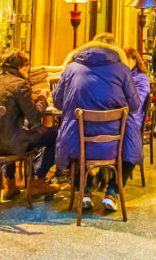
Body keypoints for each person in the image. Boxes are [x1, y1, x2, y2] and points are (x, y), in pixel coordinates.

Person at [53, 33, 141, 213]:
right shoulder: (122, 69)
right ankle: (112, 192)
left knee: (70, 141)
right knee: (133, 146)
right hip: (114, 143)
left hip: (77, 141)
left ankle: (84, 191)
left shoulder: (71, 67)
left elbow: (57, 102)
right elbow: (134, 104)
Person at [0, 49, 60, 198]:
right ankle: (38, 181)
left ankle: (9, 184)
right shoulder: (19, 84)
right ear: (20, 67)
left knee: (8, 128)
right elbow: (35, 117)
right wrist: (42, 98)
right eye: (26, 68)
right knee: (56, 134)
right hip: (8, 144)